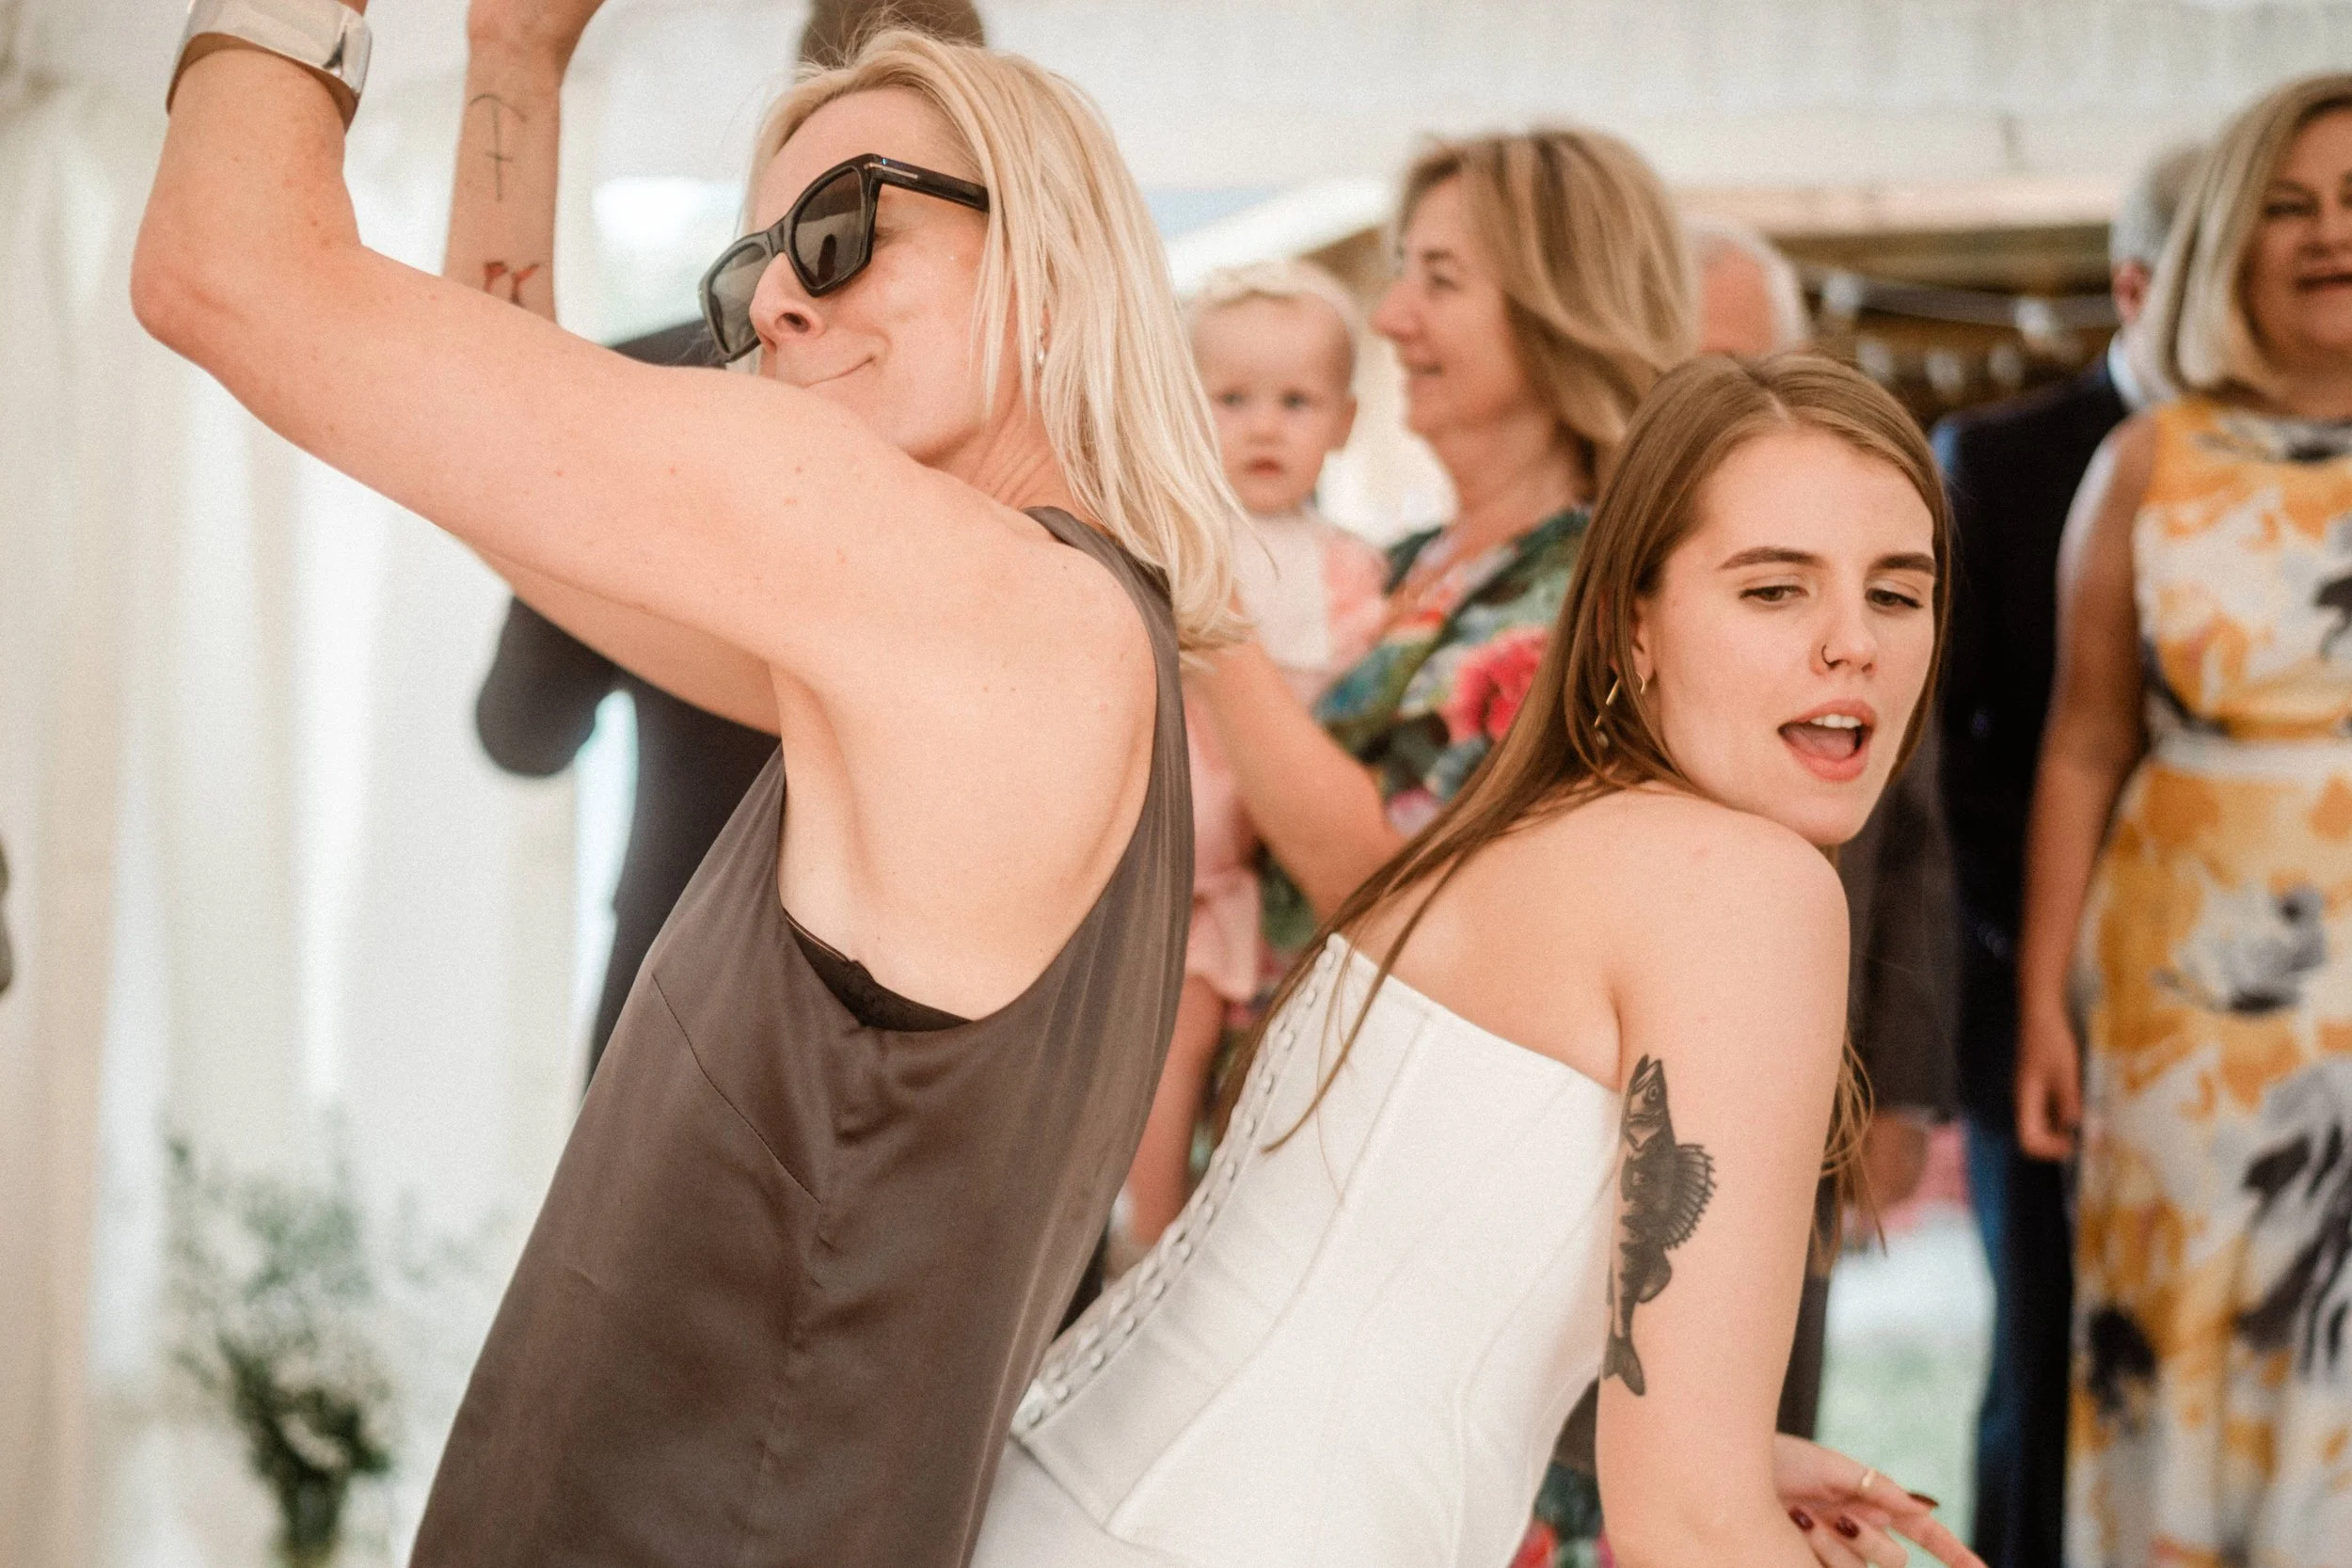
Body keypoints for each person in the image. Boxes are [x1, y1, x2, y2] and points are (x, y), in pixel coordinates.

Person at [137, 11, 1238, 1565]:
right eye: (748, 273)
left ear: (1049, 260)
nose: (777, 300)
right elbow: (508, 493)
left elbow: (228, 270)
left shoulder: (975, 609)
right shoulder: (1030, 646)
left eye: (842, 229)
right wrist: (516, 66)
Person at [972, 352, 1975, 1568]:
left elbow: (1400, 1292)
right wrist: (1715, 1490)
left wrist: (1715, 1449)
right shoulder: (1747, 886)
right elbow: (1687, 1527)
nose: (1852, 644)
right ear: (1634, 627)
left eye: (1897, 592)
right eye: (1774, 590)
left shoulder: (1535, 832)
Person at [469, 3, 987, 1087]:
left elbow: (523, 730)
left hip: (684, 1006)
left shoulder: (653, 387)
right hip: (961, 1061)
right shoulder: (1052, 454)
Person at [2016, 73, 2352, 1567]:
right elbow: (2083, 741)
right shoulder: (2146, 459)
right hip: (2181, 1002)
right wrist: (2043, 1001)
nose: (2329, 233)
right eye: (2288, 204)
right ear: (2226, 238)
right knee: (2183, 1325)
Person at [1931, 139, 2201, 1568]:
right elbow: (1951, 762)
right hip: (2053, 998)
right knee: (2049, 1361)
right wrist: (2062, 961)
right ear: (2137, 286)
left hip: (2269, 1008)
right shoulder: (2002, 460)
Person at [1689, 207, 1960, 1448]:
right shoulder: (1613, 572)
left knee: (1769, 1412)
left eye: (1749, 364)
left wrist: (1899, 1088)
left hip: (1807, 1084)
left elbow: (1912, 848)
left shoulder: (1861, 586)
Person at [1119, 261, 1389, 1259]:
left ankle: (1198, 1243)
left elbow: (1362, 699)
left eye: (1296, 402)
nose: (1264, 427)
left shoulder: (1349, 567)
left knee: (1242, 1052)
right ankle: (1143, 1234)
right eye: (1231, 400)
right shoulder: (1172, 536)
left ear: (1345, 421)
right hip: (1171, 841)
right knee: (1165, 1037)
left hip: (1268, 858)